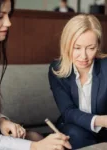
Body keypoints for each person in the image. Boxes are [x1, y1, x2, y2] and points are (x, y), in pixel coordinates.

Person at [0, 0, 72, 150]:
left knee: (35, 137)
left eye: (8, 14)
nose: (9, 23)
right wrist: (35, 147)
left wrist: (1, 120)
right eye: (0, 16)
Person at [49, 14, 107, 149]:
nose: (84, 56)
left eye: (91, 48)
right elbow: (68, 111)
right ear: (66, 44)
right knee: (75, 135)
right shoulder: (56, 69)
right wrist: (102, 120)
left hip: (104, 132)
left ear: (98, 45)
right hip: (73, 127)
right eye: (77, 47)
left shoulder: (105, 66)